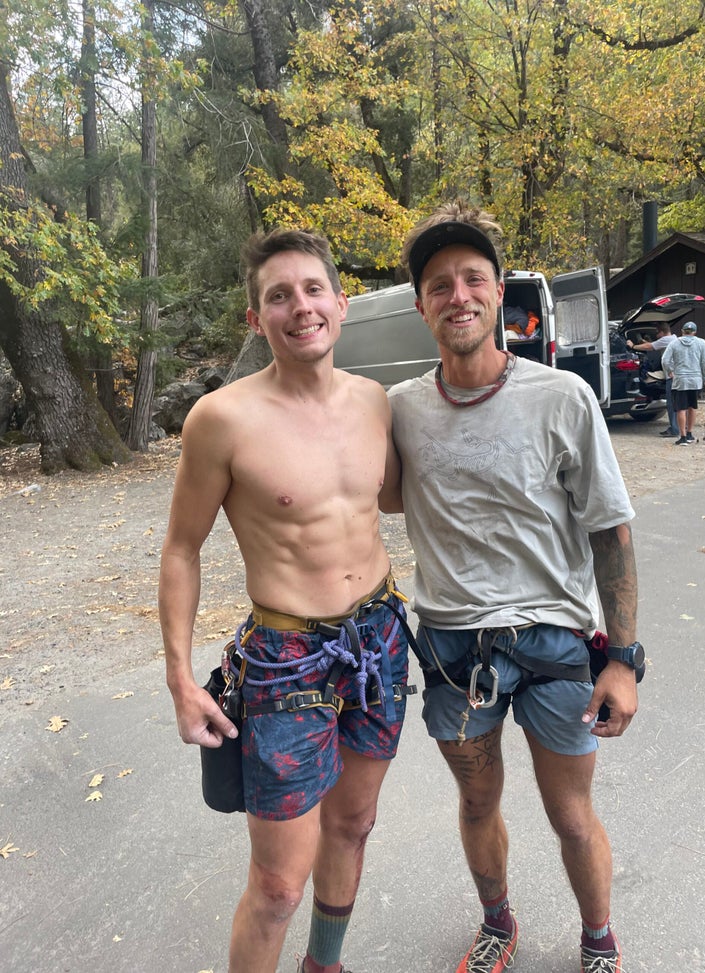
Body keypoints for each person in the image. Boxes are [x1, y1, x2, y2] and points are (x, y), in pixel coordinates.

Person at [380, 200, 641, 973]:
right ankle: (499, 921)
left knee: (569, 811)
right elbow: (362, 491)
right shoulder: (397, 410)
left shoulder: (562, 397)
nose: (456, 295)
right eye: (438, 284)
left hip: (556, 643)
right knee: (476, 802)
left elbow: (610, 531)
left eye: (472, 279)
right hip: (454, 648)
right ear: (422, 304)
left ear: (499, 294)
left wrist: (623, 657)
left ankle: (599, 939)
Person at [159, 228, 411, 973]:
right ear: (255, 318)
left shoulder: (375, 403)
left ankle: (323, 964)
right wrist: (179, 679)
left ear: (341, 300)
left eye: (311, 289)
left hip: (380, 638)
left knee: (356, 824)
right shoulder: (222, 419)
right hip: (286, 660)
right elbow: (181, 547)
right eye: (278, 296)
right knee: (275, 885)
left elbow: (394, 499)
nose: (299, 307)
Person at [661, 320, 705, 446]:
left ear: (682, 331)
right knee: (692, 407)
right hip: (695, 381)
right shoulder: (701, 343)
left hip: (680, 381)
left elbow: (665, 360)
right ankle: (690, 434)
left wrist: (670, 371)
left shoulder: (674, 343)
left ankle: (683, 437)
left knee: (680, 409)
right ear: (694, 332)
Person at [626, 321, 678, 437]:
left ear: (662, 332)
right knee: (677, 403)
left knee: (672, 404)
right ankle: (677, 428)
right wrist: (644, 342)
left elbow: (650, 346)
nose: (656, 335)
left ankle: (675, 429)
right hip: (676, 375)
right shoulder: (674, 339)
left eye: (657, 333)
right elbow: (652, 343)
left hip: (671, 376)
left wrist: (633, 346)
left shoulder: (667, 339)